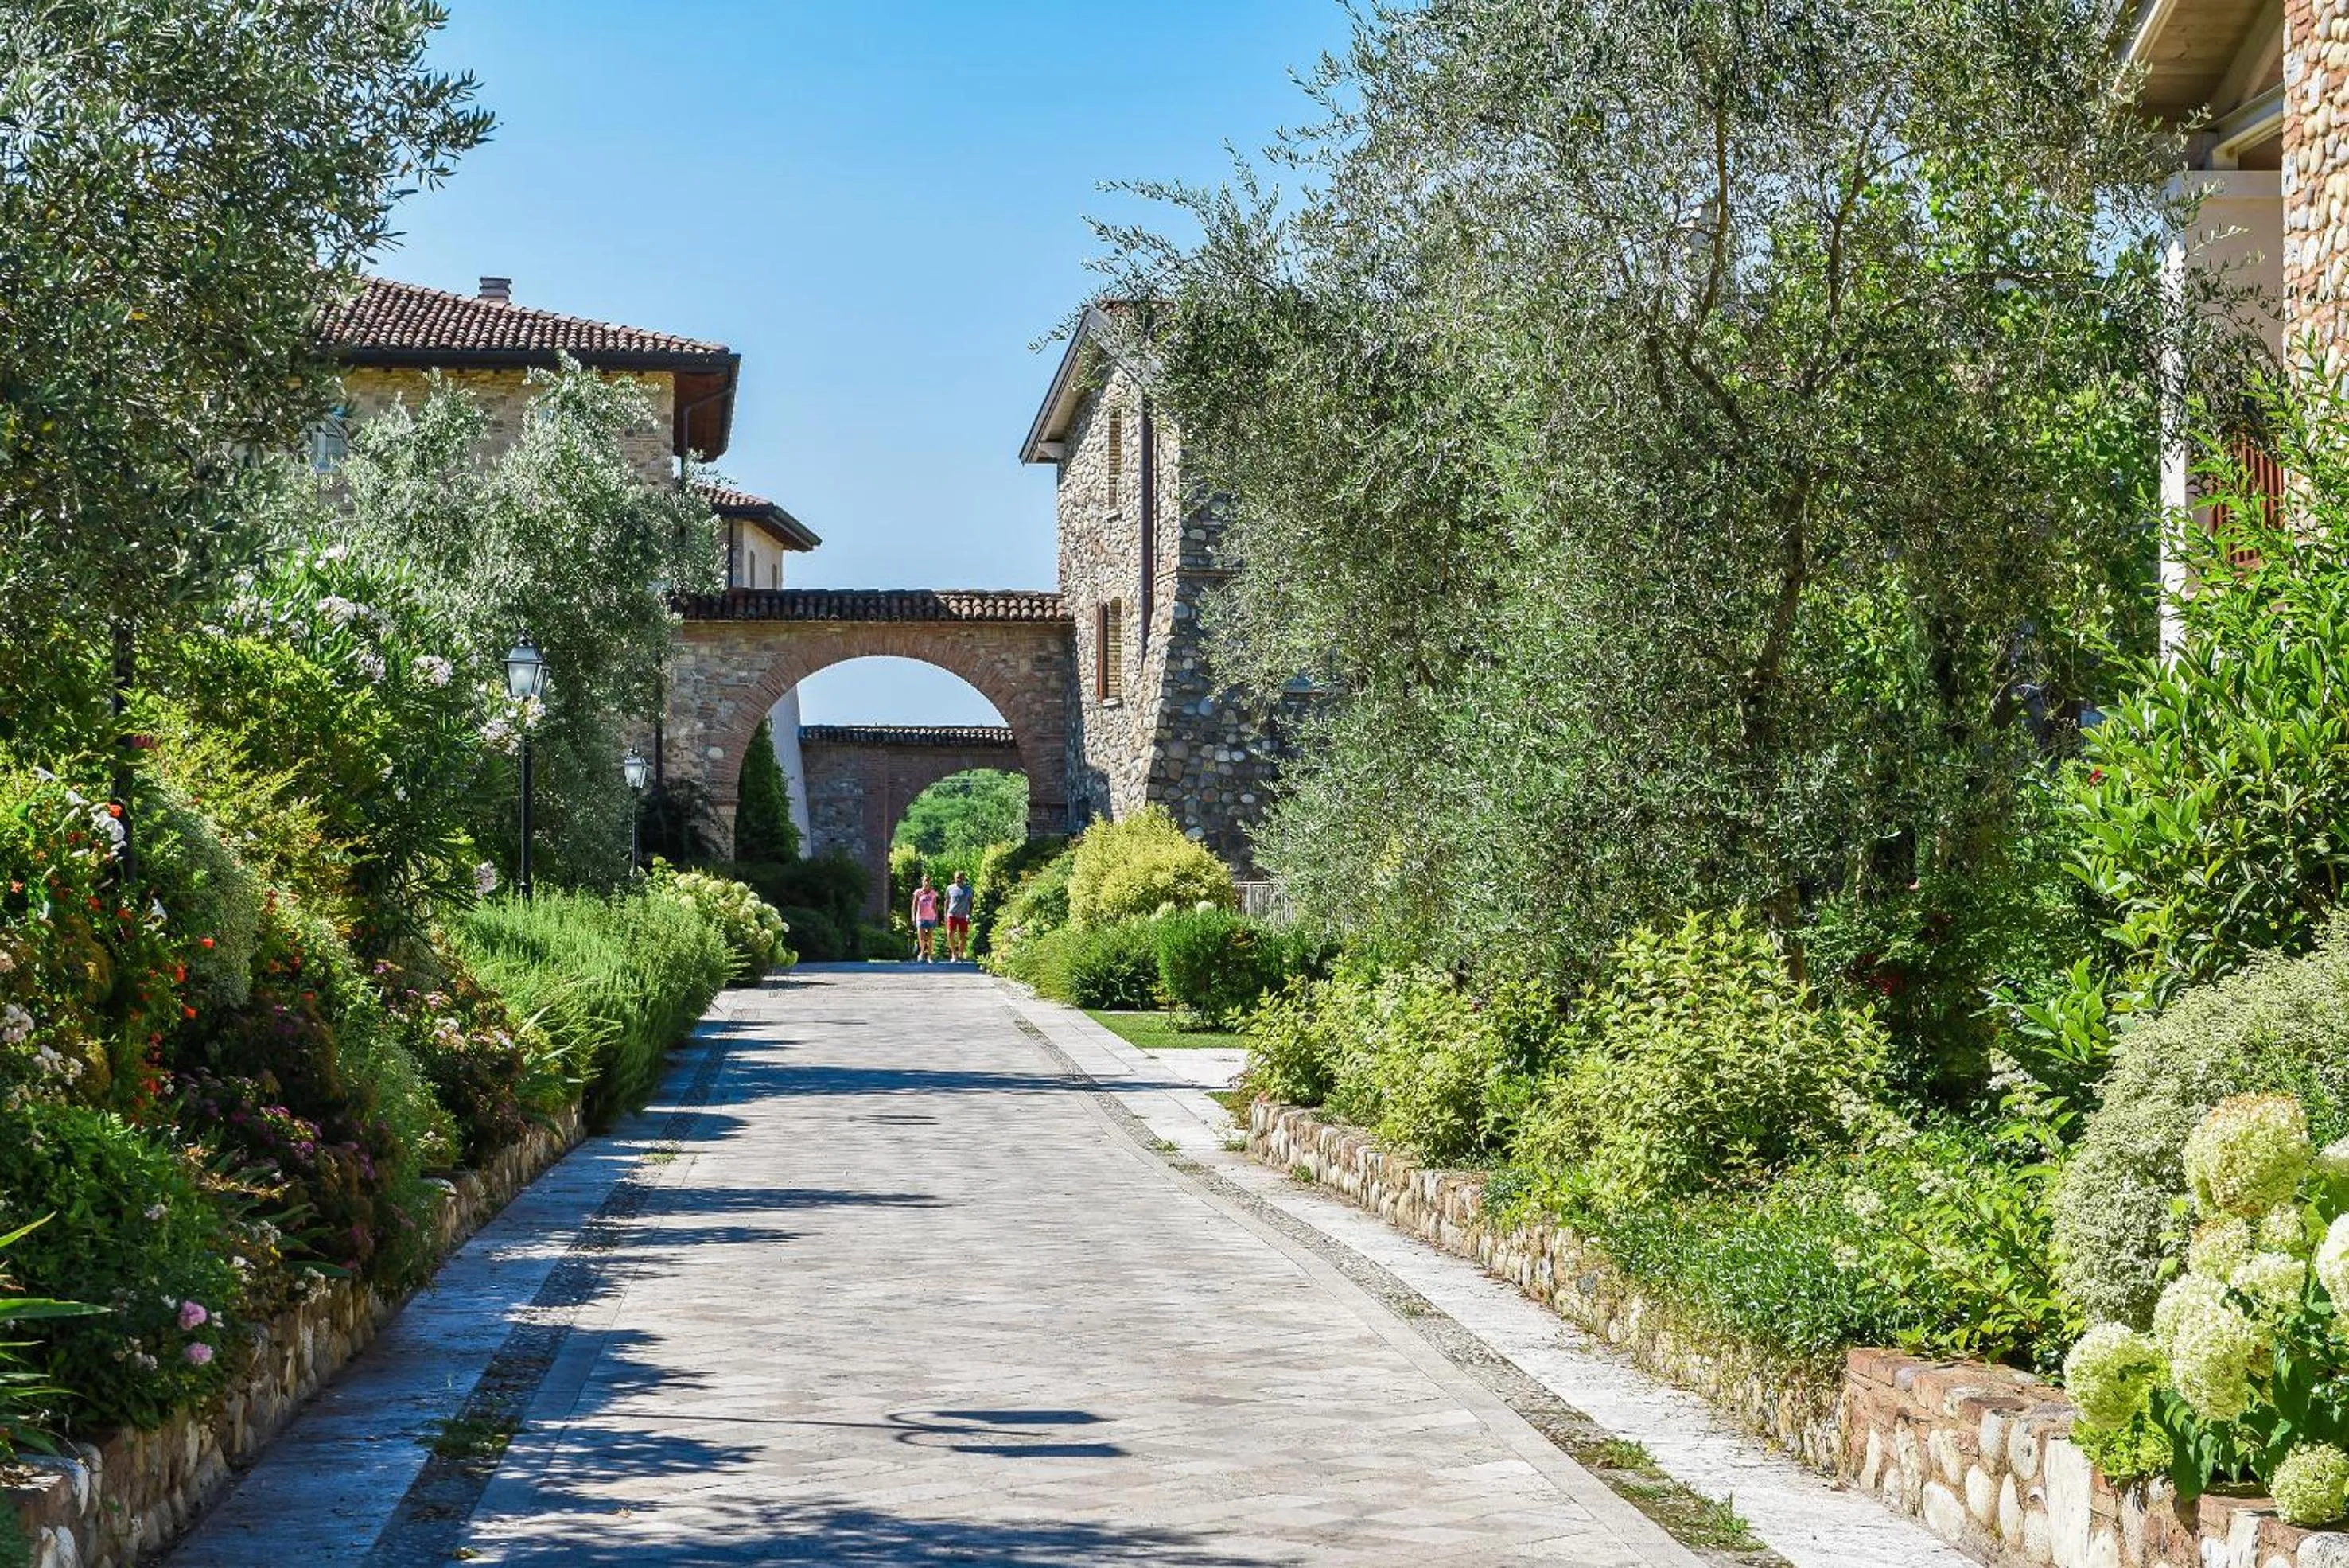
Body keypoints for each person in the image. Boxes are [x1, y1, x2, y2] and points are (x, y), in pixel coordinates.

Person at [944, 871, 975, 961]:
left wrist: (970, 914)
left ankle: (960, 953)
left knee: (962, 936)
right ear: (954, 878)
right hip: (952, 914)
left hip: (963, 915)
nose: (959, 880)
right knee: (950, 934)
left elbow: (971, 902)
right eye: (957, 878)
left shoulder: (968, 889)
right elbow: (947, 901)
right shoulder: (950, 888)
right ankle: (954, 954)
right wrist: (945, 914)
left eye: (961, 878)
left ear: (964, 879)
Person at [910, 874, 941, 963]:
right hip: (920, 917)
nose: (927, 883)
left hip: (931, 917)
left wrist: (937, 917)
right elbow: (914, 906)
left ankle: (930, 956)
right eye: (925, 881)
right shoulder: (918, 893)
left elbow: (935, 906)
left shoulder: (933, 893)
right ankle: (922, 953)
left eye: (928, 881)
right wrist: (913, 917)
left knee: (930, 937)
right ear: (922, 882)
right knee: (921, 937)